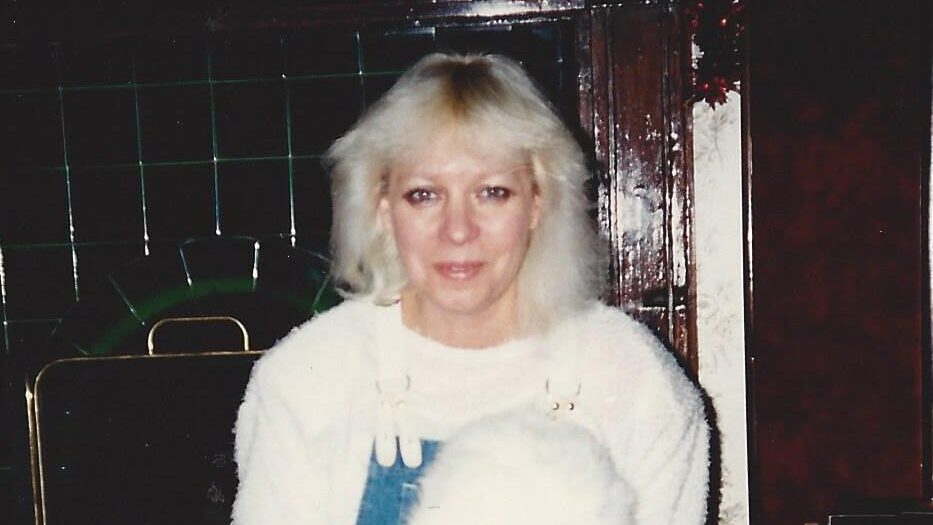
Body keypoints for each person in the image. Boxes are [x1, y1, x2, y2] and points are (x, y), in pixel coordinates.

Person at [231, 53, 709, 525]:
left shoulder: (636, 383)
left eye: (492, 192)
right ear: (382, 207)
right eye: (424, 194)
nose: (457, 230)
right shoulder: (304, 381)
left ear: (538, 202)